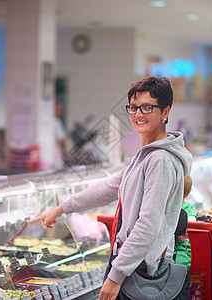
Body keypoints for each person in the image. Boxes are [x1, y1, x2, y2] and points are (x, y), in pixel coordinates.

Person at [28, 76, 193, 300]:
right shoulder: (146, 156)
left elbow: (148, 225)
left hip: (142, 271)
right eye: (133, 108)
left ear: (165, 112)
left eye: (147, 108)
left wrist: (116, 275)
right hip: (132, 264)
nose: (138, 115)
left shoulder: (160, 160)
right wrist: (61, 209)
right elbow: (109, 187)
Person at [175, 175, 196, 271]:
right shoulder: (189, 208)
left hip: (169, 255)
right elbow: (192, 226)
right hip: (184, 255)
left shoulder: (168, 207)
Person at [54, 98, 66, 169]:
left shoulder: (55, 121)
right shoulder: (56, 122)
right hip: (55, 160)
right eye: (58, 109)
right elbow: (62, 141)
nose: (60, 111)